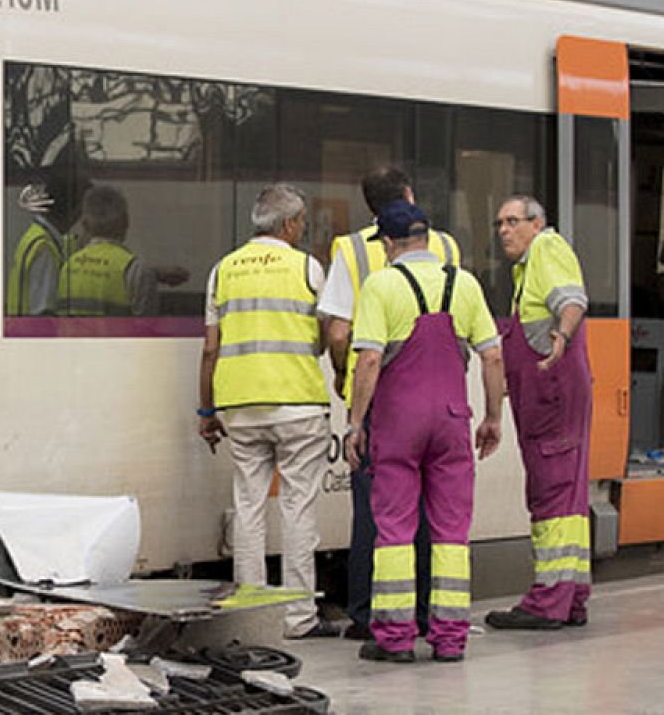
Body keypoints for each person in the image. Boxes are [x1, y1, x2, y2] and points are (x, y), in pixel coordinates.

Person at [343, 200, 505, 663]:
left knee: (394, 527)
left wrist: (355, 423)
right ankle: (450, 637)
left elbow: (370, 360)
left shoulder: (382, 285)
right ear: (428, 240)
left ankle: (395, 638)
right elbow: (492, 356)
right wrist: (493, 417)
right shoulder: (465, 283)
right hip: (453, 420)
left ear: (390, 244)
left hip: (398, 424)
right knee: (451, 529)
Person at [319, 166, 462, 640]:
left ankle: (369, 614)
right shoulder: (448, 248)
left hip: (383, 399)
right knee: (433, 510)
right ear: (410, 196)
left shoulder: (353, 249)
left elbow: (340, 333)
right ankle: (427, 614)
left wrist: (346, 377)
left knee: (378, 511)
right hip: (443, 398)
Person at [197, 184, 339, 639]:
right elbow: (326, 334)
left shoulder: (223, 270)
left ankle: (249, 616)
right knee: (298, 511)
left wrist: (206, 410)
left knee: (249, 507)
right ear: (292, 224)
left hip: (239, 407)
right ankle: (298, 619)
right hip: (297, 403)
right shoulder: (307, 268)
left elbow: (210, 349)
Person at [485, 195, 594, 630]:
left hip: (553, 398)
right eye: (499, 224)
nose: (504, 231)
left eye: (513, 221)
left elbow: (571, 301)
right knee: (567, 497)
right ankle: (572, 597)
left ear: (536, 224)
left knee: (554, 496)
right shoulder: (525, 270)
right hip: (547, 398)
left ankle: (548, 601)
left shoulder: (547, 249)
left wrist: (561, 336)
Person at [59, 185, 186, 315]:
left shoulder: (65, 265)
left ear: (85, 224)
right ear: (126, 221)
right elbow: (145, 329)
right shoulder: (135, 270)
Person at [6, 176, 82, 316]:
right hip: (31, 333)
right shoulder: (44, 248)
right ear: (73, 212)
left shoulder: (35, 236)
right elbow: (42, 310)